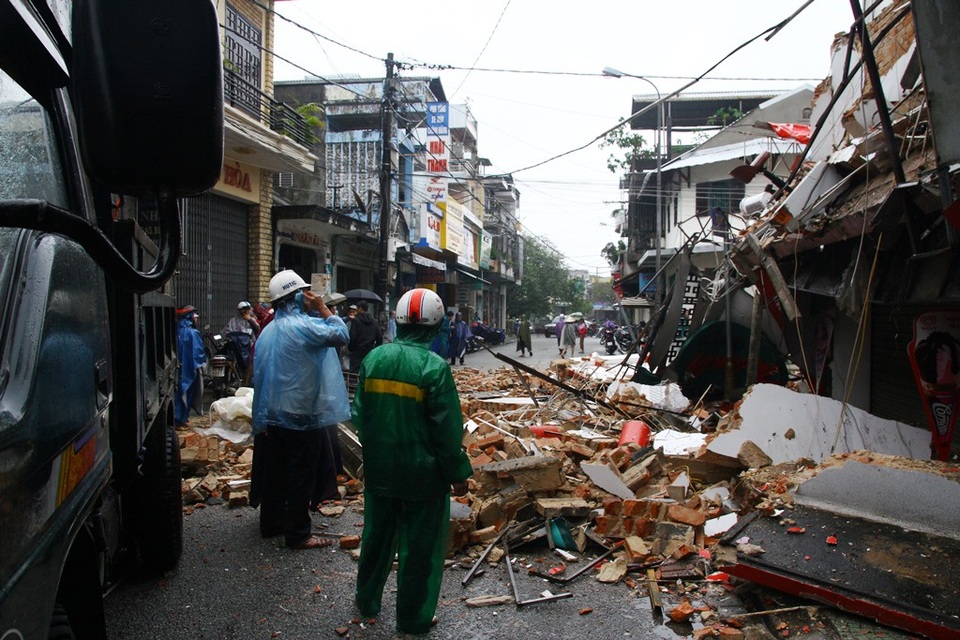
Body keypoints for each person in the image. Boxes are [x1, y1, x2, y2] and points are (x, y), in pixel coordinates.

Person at [351, 288, 472, 635]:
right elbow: (447, 432)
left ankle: (367, 599)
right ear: (435, 326)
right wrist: (458, 472)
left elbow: (360, 415)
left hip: (381, 471)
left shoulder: (374, 360)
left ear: (399, 321)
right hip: (423, 478)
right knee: (419, 550)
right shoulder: (434, 368)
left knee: (376, 536)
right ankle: (414, 618)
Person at [250, 270, 350, 549]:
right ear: (294, 297)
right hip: (301, 415)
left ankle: (271, 524)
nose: (309, 297)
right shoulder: (302, 326)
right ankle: (298, 533)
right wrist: (322, 306)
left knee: (276, 472)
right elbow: (341, 334)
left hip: (273, 414)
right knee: (300, 474)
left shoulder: (269, 330)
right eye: (304, 293)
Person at [175, 305, 206, 427]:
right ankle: (181, 418)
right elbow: (198, 352)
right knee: (188, 394)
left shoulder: (177, 330)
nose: (197, 319)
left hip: (179, 367)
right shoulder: (193, 333)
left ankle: (179, 418)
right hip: (190, 368)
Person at [225, 301, 260, 382]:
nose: (245, 312)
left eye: (247, 310)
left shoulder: (252, 320)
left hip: (249, 346)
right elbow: (227, 331)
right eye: (243, 310)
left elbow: (257, 329)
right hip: (237, 347)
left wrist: (249, 320)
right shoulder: (233, 321)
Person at [348, 300, 383, 373]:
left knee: (354, 374)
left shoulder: (356, 321)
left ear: (360, 308)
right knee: (367, 371)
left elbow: (353, 337)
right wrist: (374, 349)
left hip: (357, 351)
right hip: (369, 351)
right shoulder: (374, 322)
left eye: (357, 308)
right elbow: (379, 337)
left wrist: (351, 348)